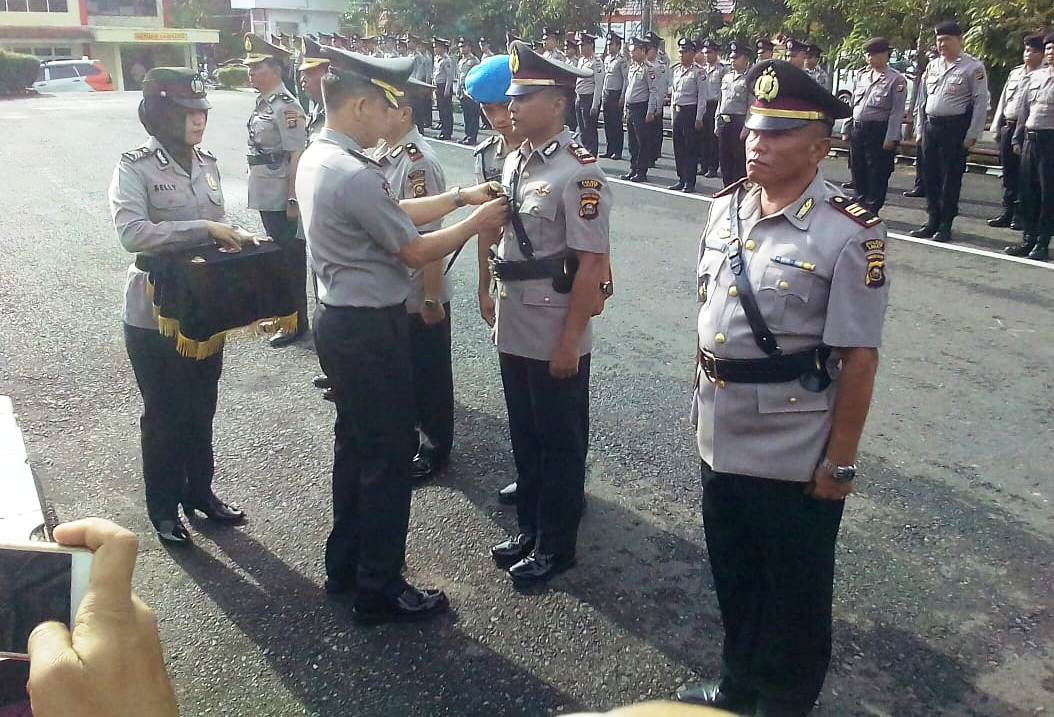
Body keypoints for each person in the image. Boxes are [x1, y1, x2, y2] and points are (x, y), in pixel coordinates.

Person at [677, 59, 889, 717]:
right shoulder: (726, 209)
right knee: (734, 572)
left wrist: (841, 459)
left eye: (776, 134)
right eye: (753, 130)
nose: (756, 143)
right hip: (721, 425)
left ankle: (785, 698)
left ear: (819, 146)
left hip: (794, 443)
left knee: (793, 590)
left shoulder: (848, 232)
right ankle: (737, 681)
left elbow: (858, 358)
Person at [298, 45, 507, 622]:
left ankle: (345, 565)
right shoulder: (352, 171)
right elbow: (413, 248)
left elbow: (395, 211)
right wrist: (474, 223)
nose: (391, 118)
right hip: (369, 329)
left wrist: (460, 197)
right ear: (362, 104)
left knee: (355, 448)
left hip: (339, 322)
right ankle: (380, 587)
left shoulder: (324, 158)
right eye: (385, 106)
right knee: (388, 459)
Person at [109, 68, 254, 544]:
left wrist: (235, 238)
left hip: (201, 306)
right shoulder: (134, 166)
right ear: (162, 115)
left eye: (203, 112)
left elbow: (216, 224)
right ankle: (164, 508)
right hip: (154, 310)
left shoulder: (206, 163)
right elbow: (132, 233)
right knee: (164, 412)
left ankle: (200, 494)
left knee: (201, 404)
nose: (199, 121)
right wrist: (203, 229)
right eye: (189, 113)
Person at [487, 41, 612, 585]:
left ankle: (557, 544)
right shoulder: (515, 158)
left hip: (554, 322)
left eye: (524, 96)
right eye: (510, 96)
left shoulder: (579, 174)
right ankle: (532, 527)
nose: (511, 105)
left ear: (558, 103)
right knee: (525, 433)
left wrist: (570, 340)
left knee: (559, 440)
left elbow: (590, 265)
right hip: (516, 318)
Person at [372, 79, 456, 482]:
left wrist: (432, 297)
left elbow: (431, 238)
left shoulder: (417, 161)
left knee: (429, 375)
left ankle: (435, 448)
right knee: (404, 371)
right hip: (395, 285)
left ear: (403, 113)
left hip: (420, 288)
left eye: (383, 106)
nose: (375, 112)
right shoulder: (383, 153)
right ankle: (410, 437)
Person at [241, 33, 309, 348]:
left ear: (276, 70)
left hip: (282, 192)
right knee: (278, 257)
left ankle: (297, 321)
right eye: (249, 68)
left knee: (289, 260)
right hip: (268, 190)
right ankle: (286, 315)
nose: (250, 73)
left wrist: (293, 197)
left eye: (257, 68)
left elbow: (297, 153)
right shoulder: (263, 103)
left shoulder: (286, 106)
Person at [909, 21, 989, 243]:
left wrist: (973, 133)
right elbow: (921, 101)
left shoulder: (973, 67)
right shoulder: (933, 65)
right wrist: (919, 129)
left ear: (959, 40)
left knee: (950, 178)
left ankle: (945, 224)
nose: (942, 44)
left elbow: (981, 101)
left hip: (954, 129)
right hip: (931, 127)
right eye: (939, 40)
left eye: (947, 40)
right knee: (930, 176)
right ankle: (932, 219)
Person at [988, 33, 1046, 229]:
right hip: (1008, 125)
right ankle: (1008, 211)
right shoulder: (1016, 73)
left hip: (1027, 132)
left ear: (1042, 54)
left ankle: (1022, 215)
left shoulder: (1043, 75)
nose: (1028, 54)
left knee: (1026, 176)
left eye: (1033, 51)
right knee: (1008, 173)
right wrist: (997, 127)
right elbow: (1004, 101)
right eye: (1026, 50)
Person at [847, 37, 907, 213]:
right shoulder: (862, 75)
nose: (869, 58)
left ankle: (872, 206)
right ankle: (860, 201)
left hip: (879, 130)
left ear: (884, 56)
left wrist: (892, 137)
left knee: (877, 171)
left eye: (873, 54)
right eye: (867, 54)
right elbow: (854, 104)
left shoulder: (896, 80)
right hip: (859, 128)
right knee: (857, 167)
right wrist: (847, 127)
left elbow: (897, 112)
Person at [1008, 33, 1054, 260]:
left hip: (1051, 143)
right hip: (1030, 140)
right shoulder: (1035, 78)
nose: (1050, 52)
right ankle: (1028, 239)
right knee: (1028, 192)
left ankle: (1042, 243)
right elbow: (1024, 111)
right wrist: (1017, 138)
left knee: (1048, 195)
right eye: (1048, 49)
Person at [669, 38, 706, 192]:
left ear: (692, 53)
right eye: (680, 52)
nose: (681, 55)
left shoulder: (699, 72)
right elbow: (673, 95)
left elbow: (702, 97)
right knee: (678, 147)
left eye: (684, 52)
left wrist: (699, 117)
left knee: (690, 148)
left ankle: (689, 181)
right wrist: (672, 116)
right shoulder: (677, 71)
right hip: (678, 112)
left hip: (690, 112)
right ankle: (681, 178)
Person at [621, 37, 659, 183]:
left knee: (642, 141)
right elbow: (629, 90)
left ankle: (641, 171)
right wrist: (625, 108)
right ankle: (633, 168)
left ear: (643, 51)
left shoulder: (649, 69)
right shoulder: (632, 67)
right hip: (631, 107)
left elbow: (653, 91)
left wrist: (650, 111)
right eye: (630, 51)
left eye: (635, 51)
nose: (632, 54)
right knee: (632, 141)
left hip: (641, 108)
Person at [715, 41, 752, 187]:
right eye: (731, 58)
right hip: (725, 122)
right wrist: (717, 121)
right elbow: (721, 100)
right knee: (724, 159)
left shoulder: (749, 79)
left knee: (738, 160)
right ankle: (727, 188)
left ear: (745, 59)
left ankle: (738, 190)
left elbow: (751, 105)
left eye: (736, 58)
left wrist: (746, 126)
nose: (732, 60)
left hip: (739, 123)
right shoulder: (726, 77)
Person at [696, 39, 725, 179]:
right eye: (705, 52)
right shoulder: (701, 70)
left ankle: (713, 167)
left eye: (710, 52)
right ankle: (704, 165)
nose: (707, 55)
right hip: (703, 105)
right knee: (702, 137)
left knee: (713, 138)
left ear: (716, 53)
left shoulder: (722, 70)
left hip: (715, 105)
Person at [575, 32, 605, 157]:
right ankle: (585, 151)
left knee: (590, 129)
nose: (580, 48)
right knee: (582, 130)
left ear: (590, 46)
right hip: (580, 97)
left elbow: (598, 85)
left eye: (583, 45)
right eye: (580, 45)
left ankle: (592, 154)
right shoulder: (581, 60)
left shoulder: (597, 62)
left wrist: (595, 105)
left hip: (589, 98)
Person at [602, 32, 629, 160]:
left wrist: (622, 96)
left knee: (616, 124)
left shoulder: (621, 60)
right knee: (607, 124)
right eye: (608, 44)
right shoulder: (607, 59)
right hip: (607, 94)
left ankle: (617, 151)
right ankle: (609, 149)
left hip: (616, 94)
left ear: (618, 46)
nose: (609, 47)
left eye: (611, 44)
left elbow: (625, 79)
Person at [645, 33, 668, 168]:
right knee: (646, 133)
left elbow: (661, 87)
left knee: (654, 131)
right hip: (645, 102)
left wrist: (658, 107)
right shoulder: (644, 65)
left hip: (655, 103)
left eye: (650, 47)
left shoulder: (660, 66)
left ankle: (653, 155)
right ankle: (647, 155)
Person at [456, 37, 482, 145]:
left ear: (469, 47)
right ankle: (467, 135)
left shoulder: (474, 61)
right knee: (466, 115)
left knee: (473, 115)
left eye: (464, 46)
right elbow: (459, 77)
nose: (462, 48)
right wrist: (458, 90)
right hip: (462, 90)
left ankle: (472, 137)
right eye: (460, 46)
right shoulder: (461, 61)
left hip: (471, 90)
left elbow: (477, 75)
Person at [432, 37, 455, 140]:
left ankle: (447, 132)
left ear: (442, 48)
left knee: (446, 111)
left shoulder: (446, 60)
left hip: (444, 86)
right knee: (441, 109)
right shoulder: (437, 59)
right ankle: (443, 130)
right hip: (438, 86)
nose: (435, 49)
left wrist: (447, 89)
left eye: (437, 47)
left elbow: (450, 76)